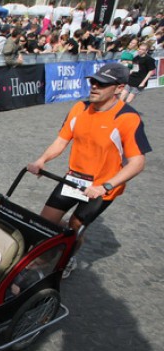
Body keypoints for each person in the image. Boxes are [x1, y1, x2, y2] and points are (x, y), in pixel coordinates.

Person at [27, 63, 151, 278]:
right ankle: (49, 248)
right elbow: (61, 140)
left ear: (119, 88)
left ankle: (67, 259)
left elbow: (137, 163)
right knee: (45, 222)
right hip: (74, 179)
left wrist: (105, 186)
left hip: (102, 187)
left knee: (74, 227)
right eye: (93, 81)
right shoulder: (79, 108)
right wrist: (41, 160)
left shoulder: (127, 118)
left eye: (102, 84)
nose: (94, 86)